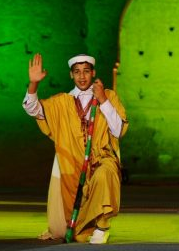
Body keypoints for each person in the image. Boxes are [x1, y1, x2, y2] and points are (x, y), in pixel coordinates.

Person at [23, 53, 126, 244]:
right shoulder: (62, 102)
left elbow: (118, 130)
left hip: (102, 157)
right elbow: (32, 108)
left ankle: (102, 226)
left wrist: (103, 100)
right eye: (77, 72)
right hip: (73, 160)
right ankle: (82, 226)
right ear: (71, 75)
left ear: (93, 73)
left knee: (105, 174)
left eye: (86, 71)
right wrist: (33, 84)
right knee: (67, 230)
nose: (82, 76)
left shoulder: (109, 96)